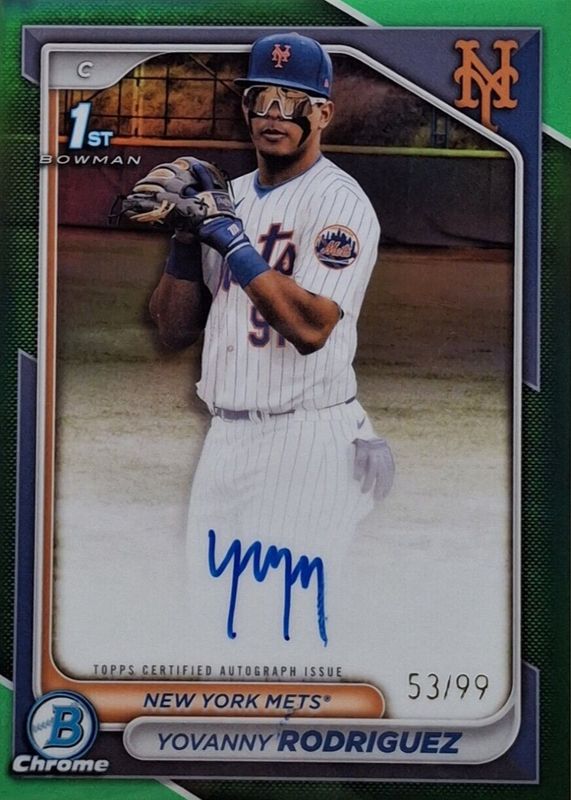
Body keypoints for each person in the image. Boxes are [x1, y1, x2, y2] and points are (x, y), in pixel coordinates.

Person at [148, 33, 394, 662]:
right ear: (246, 107)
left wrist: (231, 240)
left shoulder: (339, 203)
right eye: (262, 99)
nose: (274, 115)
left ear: (323, 113)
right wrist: (185, 243)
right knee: (210, 616)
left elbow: (311, 329)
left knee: (287, 624)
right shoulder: (226, 199)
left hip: (303, 441)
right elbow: (172, 330)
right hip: (224, 438)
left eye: (293, 101)